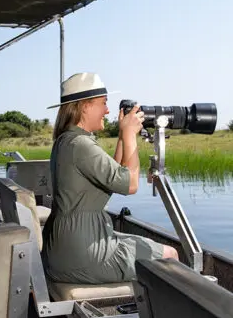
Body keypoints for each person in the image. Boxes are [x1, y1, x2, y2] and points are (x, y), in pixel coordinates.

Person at [42, 73, 178, 285]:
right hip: (84, 255)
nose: (107, 110)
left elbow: (113, 175)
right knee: (169, 255)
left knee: (144, 243)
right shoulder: (80, 145)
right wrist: (130, 135)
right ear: (85, 106)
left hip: (66, 248)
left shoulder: (68, 140)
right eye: (103, 103)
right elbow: (131, 184)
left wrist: (124, 135)